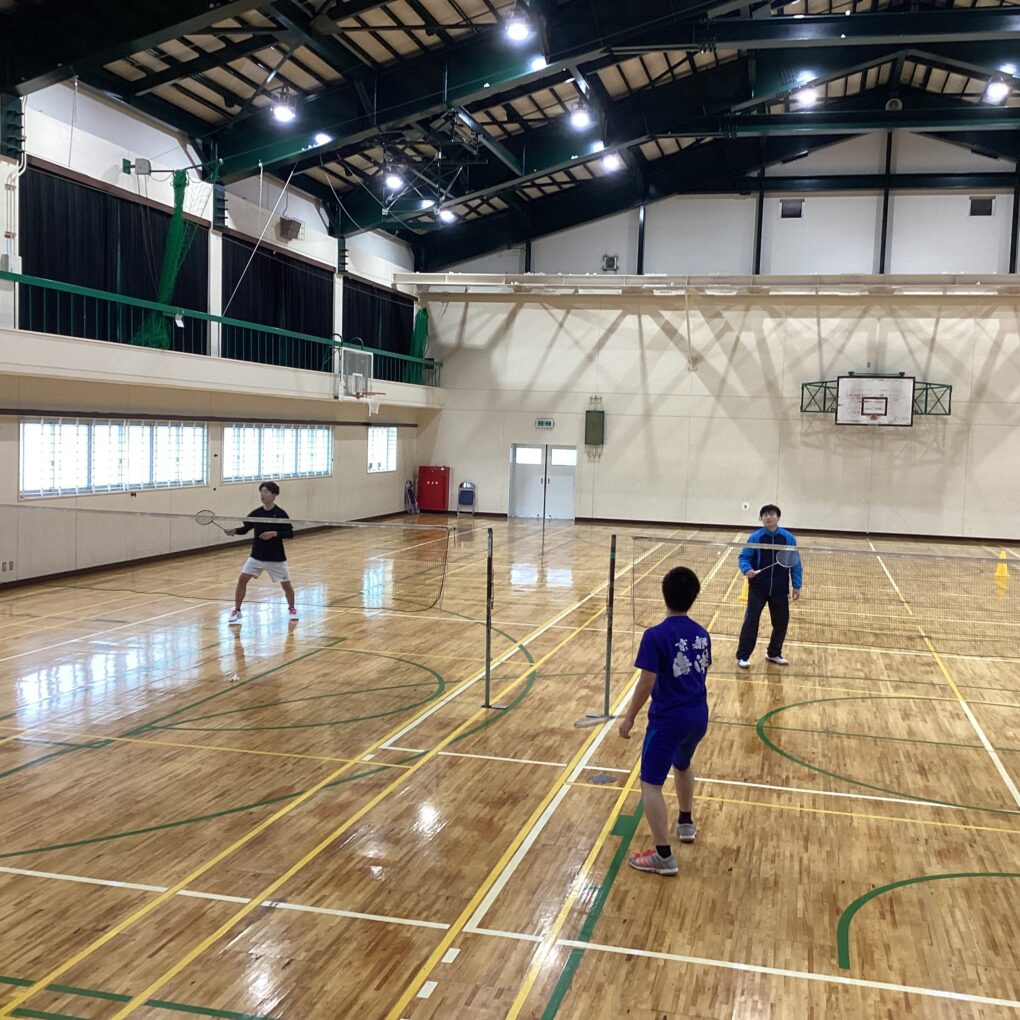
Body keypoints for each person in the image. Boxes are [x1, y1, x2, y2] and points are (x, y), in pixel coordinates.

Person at [619, 566, 710, 876]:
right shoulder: (702, 634)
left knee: (650, 784)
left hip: (668, 721)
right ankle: (685, 822)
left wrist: (629, 718)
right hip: (698, 716)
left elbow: (647, 682)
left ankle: (663, 856)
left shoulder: (654, 636)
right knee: (682, 764)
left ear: (664, 594)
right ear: (694, 596)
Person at [735, 504, 802, 668]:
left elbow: (795, 563)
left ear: (778, 517)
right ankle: (743, 656)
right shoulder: (755, 538)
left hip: (780, 587)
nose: (768, 517)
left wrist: (797, 585)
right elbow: (744, 557)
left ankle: (774, 653)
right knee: (751, 621)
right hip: (758, 587)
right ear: (761, 518)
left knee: (781, 622)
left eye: (771, 514)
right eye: (765, 515)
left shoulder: (788, 538)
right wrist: (747, 569)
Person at [225, 481, 297, 623]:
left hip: (275, 557)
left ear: (274, 495)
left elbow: (290, 533)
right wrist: (234, 531)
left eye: (266, 492)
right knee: (242, 580)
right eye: (261, 492)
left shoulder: (280, 514)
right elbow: (245, 528)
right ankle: (237, 611)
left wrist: (274, 533)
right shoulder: (256, 513)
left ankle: (292, 608)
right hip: (257, 556)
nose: (262, 495)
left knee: (286, 585)